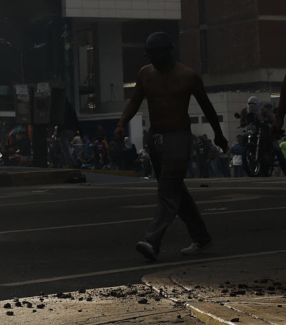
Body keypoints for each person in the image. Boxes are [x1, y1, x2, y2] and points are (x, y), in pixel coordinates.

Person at [116, 32, 227, 262]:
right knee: (176, 190)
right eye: (150, 55)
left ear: (168, 52)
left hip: (178, 137)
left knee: (167, 190)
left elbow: (207, 107)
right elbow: (135, 101)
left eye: (157, 54)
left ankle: (152, 241)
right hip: (155, 139)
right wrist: (121, 124)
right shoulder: (145, 74)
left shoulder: (188, 76)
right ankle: (202, 237)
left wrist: (219, 135)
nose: (154, 59)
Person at [239, 96, 284, 175]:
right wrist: (242, 123)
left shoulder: (263, 110)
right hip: (252, 129)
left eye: (253, 103)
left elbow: (271, 117)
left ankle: (284, 168)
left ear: (257, 103)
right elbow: (242, 119)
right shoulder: (245, 110)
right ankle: (246, 153)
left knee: (277, 149)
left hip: (263, 128)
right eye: (250, 103)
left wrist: (270, 120)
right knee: (244, 137)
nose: (251, 105)